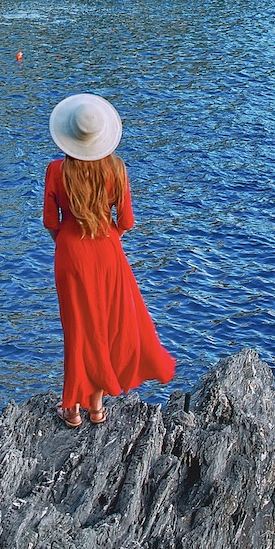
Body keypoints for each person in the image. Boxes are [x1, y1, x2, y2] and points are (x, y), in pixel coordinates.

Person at [42, 94, 176, 429]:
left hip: (71, 255)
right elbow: (127, 221)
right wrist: (106, 236)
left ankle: (72, 408)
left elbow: (50, 221)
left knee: (77, 330)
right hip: (108, 252)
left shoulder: (57, 170)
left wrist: (69, 243)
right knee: (107, 327)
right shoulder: (116, 168)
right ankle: (97, 407)